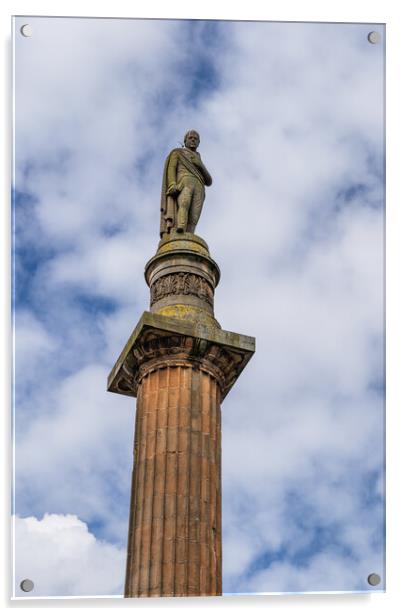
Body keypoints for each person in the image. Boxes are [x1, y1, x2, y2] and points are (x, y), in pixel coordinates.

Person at [160, 130, 212, 237]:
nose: (193, 140)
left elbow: (209, 181)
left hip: (199, 186)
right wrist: (172, 184)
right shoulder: (178, 153)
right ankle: (180, 229)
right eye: (190, 138)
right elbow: (171, 168)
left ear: (198, 143)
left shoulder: (198, 158)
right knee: (184, 204)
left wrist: (200, 165)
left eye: (195, 139)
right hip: (185, 182)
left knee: (194, 215)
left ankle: (189, 235)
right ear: (185, 140)